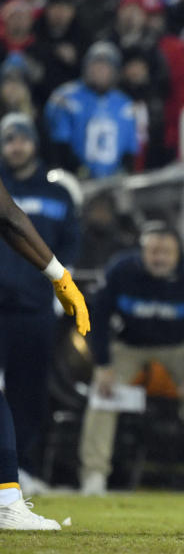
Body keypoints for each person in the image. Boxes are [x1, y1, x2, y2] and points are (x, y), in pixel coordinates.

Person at [79, 222, 184, 497]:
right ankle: (94, 475)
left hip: (180, 345)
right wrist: (103, 364)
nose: (160, 258)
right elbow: (96, 317)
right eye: (154, 251)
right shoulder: (120, 271)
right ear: (141, 252)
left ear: (178, 254)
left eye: (166, 252)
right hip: (130, 344)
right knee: (102, 395)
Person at [0, 121, 88, 529]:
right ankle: (5, 501)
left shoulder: (55, 192)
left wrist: (59, 276)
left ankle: (10, 491)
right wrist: (59, 276)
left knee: (23, 389)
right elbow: (9, 217)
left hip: (29, 307)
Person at [43, 41, 139, 179]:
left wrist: (123, 172)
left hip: (113, 182)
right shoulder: (65, 98)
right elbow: (58, 144)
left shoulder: (126, 105)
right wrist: (77, 170)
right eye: (95, 64)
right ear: (86, 67)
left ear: (115, 72)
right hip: (74, 177)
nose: (99, 69)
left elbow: (130, 151)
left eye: (105, 65)